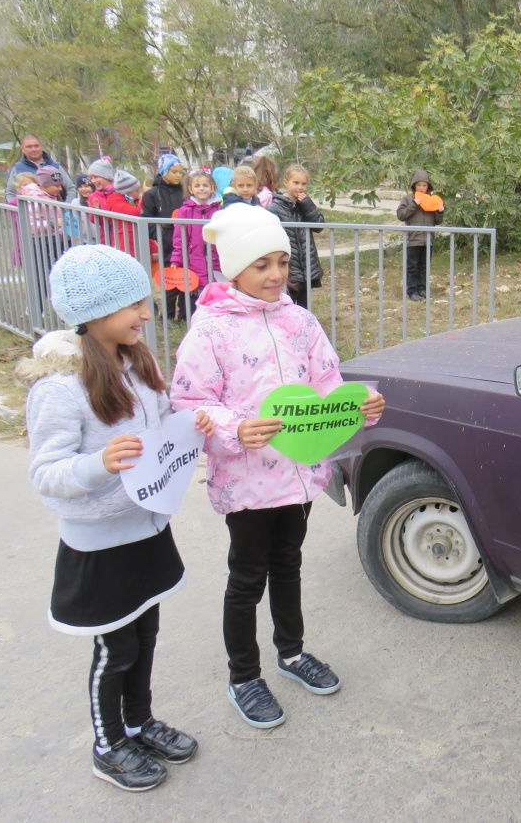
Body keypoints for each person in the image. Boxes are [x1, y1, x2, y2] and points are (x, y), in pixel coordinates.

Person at [169, 204, 385, 729]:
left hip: (298, 475)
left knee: (288, 565)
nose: (275, 274)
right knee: (247, 578)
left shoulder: (299, 320)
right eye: (261, 264)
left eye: (282, 262)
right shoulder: (210, 330)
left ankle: (291, 653)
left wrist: (358, 403)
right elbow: (189, 402)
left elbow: (326, 381)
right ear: (233, 268)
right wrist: (233, 429)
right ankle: (244, 676)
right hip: (245, 481)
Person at [16, 245, 211, 791]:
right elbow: (46, 472)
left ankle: (137, 721)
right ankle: (108, 744)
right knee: (116, 646)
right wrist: (98, 464)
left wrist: (189, 423)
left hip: (146, 527)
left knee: (145, 633)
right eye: (133, 306)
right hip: (99, 544)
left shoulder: (137, 363)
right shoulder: (59, 388)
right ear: (92, 313)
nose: (146, 315)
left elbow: (163, 422)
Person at [269, 164, 324, 310]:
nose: (300, 187)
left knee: (305, 307)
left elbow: (319, 226)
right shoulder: (275, 208)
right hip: (289, 266)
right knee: (287, 304)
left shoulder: (304, 205)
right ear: (286, 183)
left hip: (305, 266)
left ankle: (304, 331)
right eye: (296, 182)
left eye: (303, 183)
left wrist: (307, 205)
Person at [169, 170, 222, 317]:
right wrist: (177, 258)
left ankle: (215, 317)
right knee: (196, 292)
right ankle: (195, 319)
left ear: (212, 188)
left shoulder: (220, 210)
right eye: (197, 185)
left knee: (216, 290)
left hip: (216, 258)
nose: (202, 188)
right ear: (191, 189)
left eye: (205, 185)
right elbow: (179, 238)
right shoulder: (185, 211)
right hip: (194, 260)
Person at [142, 154, 187, 320]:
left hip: (185, 241)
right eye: (174, 171)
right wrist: (160, 234)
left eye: (180, 172)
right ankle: (167, 316)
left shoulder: (185, 192)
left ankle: (184, 315)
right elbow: (146, 220)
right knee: (170, 280)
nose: (178, 175)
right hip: (167, 243)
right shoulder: (152, 194)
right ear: (164, 171)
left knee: (186, 278)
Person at [394, 170, 443, 301]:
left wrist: (439, 212)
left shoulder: (433, 200)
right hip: (413, 239)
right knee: (412, 267)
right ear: (414, 185)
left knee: (424, 266)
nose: (421, 188)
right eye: (419, 185)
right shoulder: (408, 198)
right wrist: (414, 204)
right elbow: (401, 215)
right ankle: (412, 291)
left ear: (428, 187)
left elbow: (438, 221)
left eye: (424, 185)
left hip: (428, 239)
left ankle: (423, 289)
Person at [4, 133, 76, 203]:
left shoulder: (56, 166)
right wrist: (17, 209)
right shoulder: (17, 169)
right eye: (29, 147)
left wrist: (66, 208)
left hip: (57, 213)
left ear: (41, 146)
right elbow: (10, 193)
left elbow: (71, 188)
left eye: (36, 146)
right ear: (22, 149)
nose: (33, 149)